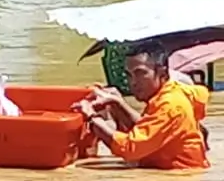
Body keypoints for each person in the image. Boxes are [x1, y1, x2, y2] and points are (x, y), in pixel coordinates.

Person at [75, 39, 209, 170]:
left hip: (181, 179)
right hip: (175, 172)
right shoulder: (169, 92)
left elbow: (129, 149)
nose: (133, 82)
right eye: (129, 75)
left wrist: (92, 117)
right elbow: (145, 128)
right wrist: (117, 102)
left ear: (162, 72)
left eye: (140, 73)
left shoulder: (170, 104)